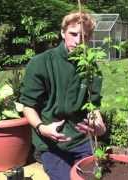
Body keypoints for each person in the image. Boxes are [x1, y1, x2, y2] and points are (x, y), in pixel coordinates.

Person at [19, 11, 106, 180]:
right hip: (51, 144)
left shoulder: (91, 67)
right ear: (62, 33)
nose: (78, 41)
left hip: (81, 140)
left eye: (85, 36)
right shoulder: (41, 63)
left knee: (95, 177)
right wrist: (42, 128)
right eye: (73, 34)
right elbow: (28, 105)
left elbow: (92, 104)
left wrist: (99, 125)